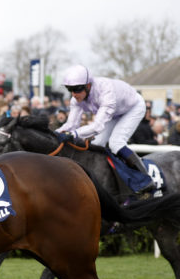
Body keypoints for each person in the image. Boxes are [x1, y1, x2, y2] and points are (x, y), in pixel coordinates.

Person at [56, 64, 155, 193]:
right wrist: (54, 134)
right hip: (115, 112)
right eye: (70, 90)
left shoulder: (105, 91)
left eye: (77, 89)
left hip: (133, 107)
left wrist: (73, 134)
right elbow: (71, 125)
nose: (74, 94)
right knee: (97, 144)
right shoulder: (76, 100)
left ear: (88, 86)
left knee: (116, 143)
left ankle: (146, 180)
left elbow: (97, 126)